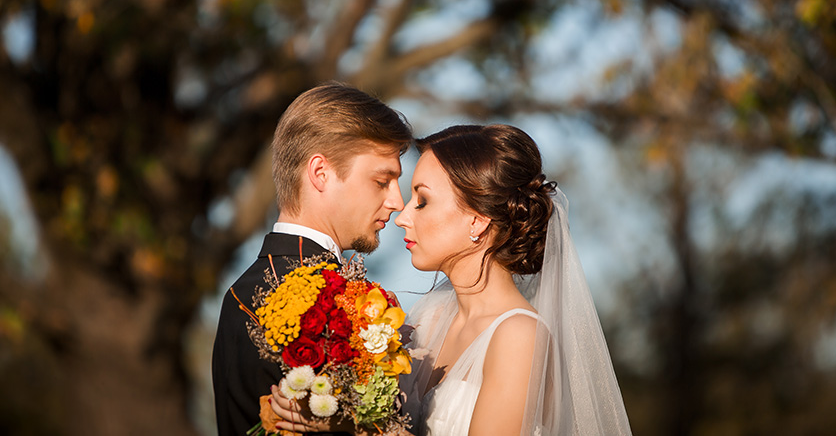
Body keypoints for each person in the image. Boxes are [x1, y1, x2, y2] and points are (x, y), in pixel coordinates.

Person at [270, 124, 632, 435]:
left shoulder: (520, 337)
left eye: (422, 201)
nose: (401, 216)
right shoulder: (427, 320)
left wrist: (348, 426)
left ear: (477, 221)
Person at [212, 81, 412, 436]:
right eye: (382, 181)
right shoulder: (326, 300)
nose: (397, 202)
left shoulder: (240, 293)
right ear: (321, 173)